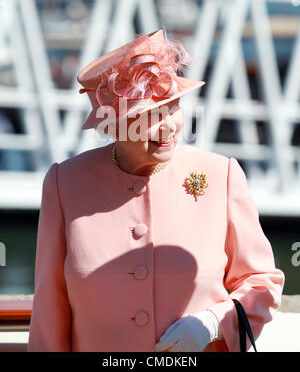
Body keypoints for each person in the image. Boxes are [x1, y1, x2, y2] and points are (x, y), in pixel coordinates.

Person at [27, 30, 284, 352]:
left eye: (172, 107)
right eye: (149, 115)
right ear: (113, 125)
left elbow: (261, 283)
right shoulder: (65, 182)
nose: (167, 126)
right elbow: (51, 302)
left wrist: (213, 324)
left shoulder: (221, 174)